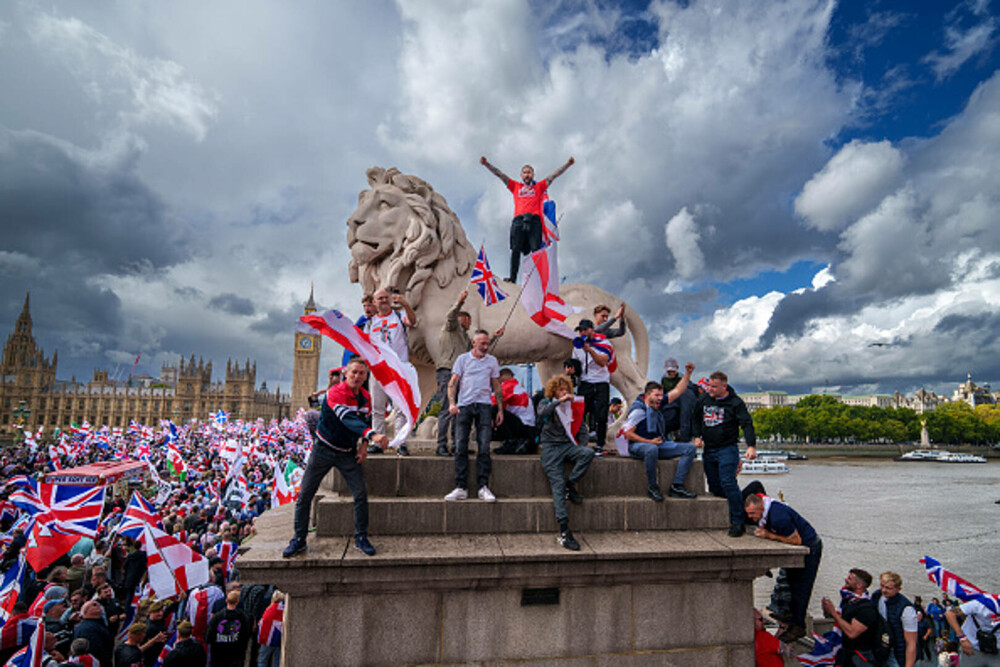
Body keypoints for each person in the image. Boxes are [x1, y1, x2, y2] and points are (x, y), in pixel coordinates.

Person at [283, 357, 386, 559]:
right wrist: (373, 436)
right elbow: (347, 418)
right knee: (305, 495)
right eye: (354, 372)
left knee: (360, 494)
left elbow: (365, 419)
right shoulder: (336, 392)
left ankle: (361, 538)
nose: (357, 376)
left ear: (366, 376)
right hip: (323, 450)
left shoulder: (365, 397)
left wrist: (364, 446)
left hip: (347, 452)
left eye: (361, 373)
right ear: (345, 373)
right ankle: (299, 539)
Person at [479, 155, 575, 282]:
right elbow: (500, 175)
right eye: (524, 172)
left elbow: (554, 175)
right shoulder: (515, 186)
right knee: (515, 249)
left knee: (536, 251)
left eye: (529, 172)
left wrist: (567, 164)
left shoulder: (539, 187)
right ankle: (513, 278)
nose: (527, 175)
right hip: (518, 220)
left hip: (534, 221)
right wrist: (487, 164)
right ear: (521, 175)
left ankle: (537, 279)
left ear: (533, 175)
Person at [433, 289, 504, 457]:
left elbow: (476, 350)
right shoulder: (451, 328)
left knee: (459, 410)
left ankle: (458, 444)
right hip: (448, 371)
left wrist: (493, 337)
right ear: (463, 319)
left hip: (460, 373)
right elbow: (451, 315)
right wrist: (460, 301)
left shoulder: (465, 337)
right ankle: (441, 445)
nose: (470, 325)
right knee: (446, 408)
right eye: (469, 321)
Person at [745, 493, 822, 642]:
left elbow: (796, 540)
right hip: (799, 549)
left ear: (761, 508)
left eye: (752, 513)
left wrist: (770, 536)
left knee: (801, 588)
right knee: (791, 583)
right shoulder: (767, 513)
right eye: (748, 513)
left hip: (810, 548)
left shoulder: (779, 517)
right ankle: (790, 613)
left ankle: (798, 627)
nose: (750, 517)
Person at [692, 370, 757, 537]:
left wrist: (751, 446)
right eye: (709, 386)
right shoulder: (704, 399)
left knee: (728, 482)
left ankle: (737, 521)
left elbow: (747, 424)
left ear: (724, 386)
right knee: (715, 486)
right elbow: (695, 417)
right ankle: (738, 506)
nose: (710, 389)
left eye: (714, 387)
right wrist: (697, 435)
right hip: (709, 449)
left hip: (727, 448)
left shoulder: (735, 403)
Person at [536, 374, 594, 551]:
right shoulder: (546, 402)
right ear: (554, 391)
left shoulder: (572, 407)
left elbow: (582, 429)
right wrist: (558, 402)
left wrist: (580, 445)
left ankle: (571, 483)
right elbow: (542, 413)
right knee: (557, 484)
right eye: (561, 390)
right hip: (550, 450)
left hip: (567, 446)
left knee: (588, 453)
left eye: (567, 389)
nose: (565, 393)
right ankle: (564, 529)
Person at [621, 371, 698, 502]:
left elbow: (678, 390)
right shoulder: (639, 410)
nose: (660, 398)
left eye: (661, 395)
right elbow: (628, 434)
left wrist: (688, 373)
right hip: (638, 446)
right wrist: (649, 441)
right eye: (656, 395)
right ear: (647, 395)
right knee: (651, 449)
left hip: (656, 444)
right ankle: (653, 487)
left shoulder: (658, 403)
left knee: (690, 449)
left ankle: (677, 486)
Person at [444, 330, 502, 502]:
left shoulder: (492, 361)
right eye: (482, 343)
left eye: (487, 343)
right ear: (474, 343)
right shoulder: (462, 359)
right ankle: (461, 486)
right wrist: (452, 403)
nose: (485, 347)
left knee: (484, 446)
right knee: (460, 445)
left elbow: (496, 386)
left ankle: (483, 486)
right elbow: (452, 382)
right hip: (464, 405)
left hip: (484, 405)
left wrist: (500, 410)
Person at [364, 287, 418, 456]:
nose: (384, 300)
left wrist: (405, 304)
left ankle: (401, 443)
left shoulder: (400, 316)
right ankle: (378, 442)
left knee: (401, 407)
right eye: (380, 298)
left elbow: (413, 321)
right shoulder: (371, 323)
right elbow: (365, 346)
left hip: (398, 369)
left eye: (386, 297)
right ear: (374, 302)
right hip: (379, 369)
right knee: (377, 407)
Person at [820, 568, 880, 667]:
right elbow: (839, 621)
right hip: (845, 653)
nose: (846, 580)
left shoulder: (866, 608)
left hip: (859, 657)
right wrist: (827, 609)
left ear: (859, 585)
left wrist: (834, 613)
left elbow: (852, 633)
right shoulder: (849, 601)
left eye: (850, 578)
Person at [572, 319, 611, 456]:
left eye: (584, 329)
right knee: (580, 414)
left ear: (591, 330)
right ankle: (579, 443)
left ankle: (600, 444)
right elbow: (576, 366)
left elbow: (602, 362)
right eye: (580, 330)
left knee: (601, 415)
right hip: (585, 383)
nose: (582, 332)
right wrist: (571, 370)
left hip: (601, 382)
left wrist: (590, 350)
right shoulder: (577, 346)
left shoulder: (604, 344)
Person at [871, 571, 917, 667]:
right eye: (882, 586)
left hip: (899, 654)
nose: (883, 590)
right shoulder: (877, 596)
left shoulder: (907, 609)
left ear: (898, 589)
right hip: (883, 649)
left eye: (888, 588)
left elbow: (911, 643)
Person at [944, 595, 1000, 666]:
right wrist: (962, 638)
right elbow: (950, 613)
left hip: (996, 650)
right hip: (972, 648)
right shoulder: (981, 603)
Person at [492, 368, 536, 455]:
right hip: (527, 427)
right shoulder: (517, 387)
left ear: (500, 379)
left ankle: (510, 441)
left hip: (524, 427)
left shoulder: (509, 386)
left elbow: (492, 401)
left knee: (494, 409)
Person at [206, 590, 251, 667]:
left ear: (226, 600)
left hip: (218, 653)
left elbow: (209, 635)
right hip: (235, 652)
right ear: (237, 601)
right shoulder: (243, 617)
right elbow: (246, 635)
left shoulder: (217, 617)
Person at [73, 601, 113, 667]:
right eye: (94, 605)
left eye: (99, 604)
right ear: (86, 611)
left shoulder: (97, 624)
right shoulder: (87, 628)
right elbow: (94, 651)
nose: (98, 606)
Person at [341, 294, 376, 366]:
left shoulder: (379, 321)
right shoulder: (361, 322)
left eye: (369, 306)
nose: (366, 308)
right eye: (364, 306)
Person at [256, 590, 284, 667]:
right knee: (278, 661)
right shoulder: (284, 609)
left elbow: (264, 623)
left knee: (262, 660)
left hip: (267, 639)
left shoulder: (270, 609)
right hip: (279, 640)